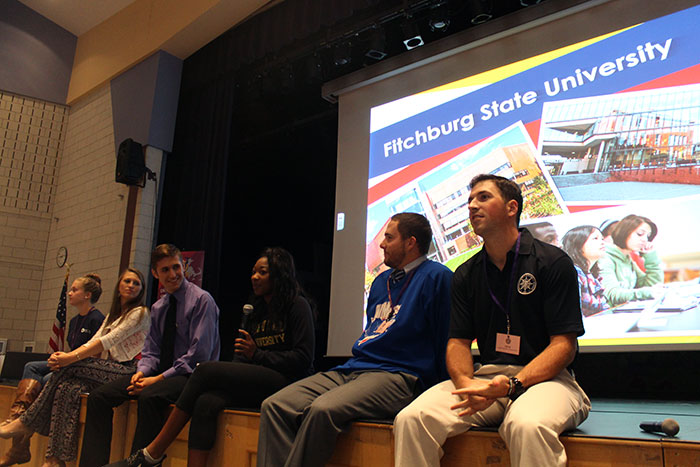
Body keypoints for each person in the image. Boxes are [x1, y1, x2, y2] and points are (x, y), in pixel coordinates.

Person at [393, 174, 590, 467]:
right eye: (470, 200)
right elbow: (458, 342)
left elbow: (564, 346)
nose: (472, 206)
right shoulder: (466, 273)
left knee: (527, 424)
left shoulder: (552, 262)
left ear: (512, 208)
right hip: (486, 379)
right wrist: (466, 386)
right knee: (412, 418)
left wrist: (513, 385)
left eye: (483, 198)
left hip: (548, 380)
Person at [257, 212, 452, 467]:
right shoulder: (381, 282)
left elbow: (446, 338)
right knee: (274, 405)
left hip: (399, 376)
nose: (381, 244)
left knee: (323, 410)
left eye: (389, 238)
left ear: (410, 243)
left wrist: (434, 390)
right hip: (353, 369)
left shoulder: (438, 277)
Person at [107, 247, 315, 467]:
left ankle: (151, 453)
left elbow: (303, 359)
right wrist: (234, 374)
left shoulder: (297, 306)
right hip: (259, 378)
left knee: (205, 369)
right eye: (253, 271)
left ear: (278, 274)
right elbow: (242, 359)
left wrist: (258, 354)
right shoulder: (255, 311)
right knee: (205, 402)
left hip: (289, 381)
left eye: (262, 272)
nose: (254, 277)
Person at [78, 244, 220, 467]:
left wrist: (155, 380)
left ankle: (139, 464)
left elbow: (197, 357)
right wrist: (142, 373)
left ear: (183, 266)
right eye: (165, 270)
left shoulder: (202, 301)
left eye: (176, 267)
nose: (173, 274)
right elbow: (151, 351)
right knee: (98, 398)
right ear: (155, 273)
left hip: (192, 377)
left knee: (150, 396)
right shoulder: (159, 307)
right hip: (159, 374)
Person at [0, 269, 150, 467]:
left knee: (69, 367)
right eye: (127, 281)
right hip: (107, 368)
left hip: (128, 370)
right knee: (66, 388)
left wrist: (69, 358)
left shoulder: (140, 312)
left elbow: (107, 341)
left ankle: (26, 422)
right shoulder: (113, 314)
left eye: (136, 283)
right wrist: (64, 357)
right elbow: (96, 338)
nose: (131, 285)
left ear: (142, 289)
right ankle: (54, 460)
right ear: (119, 286)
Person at [0, 274, 104, 467]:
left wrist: (64, 362)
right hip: (68, 362)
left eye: (74, 290)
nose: (70, 293)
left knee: (48, 378)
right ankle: (17, 416)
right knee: (30, 366)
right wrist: (58, 358)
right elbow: (70, 349)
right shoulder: (73, 322)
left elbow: (94, 356)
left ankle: (20, 445)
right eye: (70, 289)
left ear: (87, 295)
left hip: (82, 368)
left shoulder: (97, 319)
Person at [597, 214, 663, 306]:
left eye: (647, 236)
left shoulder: (627, 258)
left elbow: (650, 286)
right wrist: (646, 292)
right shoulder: (604, 257)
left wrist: (650, 257)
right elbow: (612, 294)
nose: (645, 240)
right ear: (624, 232)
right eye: (640, 234)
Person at [562, 225, 610, 317]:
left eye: (602, 239)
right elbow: (572, 312)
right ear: (578, 245)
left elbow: (604, 307)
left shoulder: (592, 274)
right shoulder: (572, 272)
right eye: (595, 238)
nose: (602, 242)